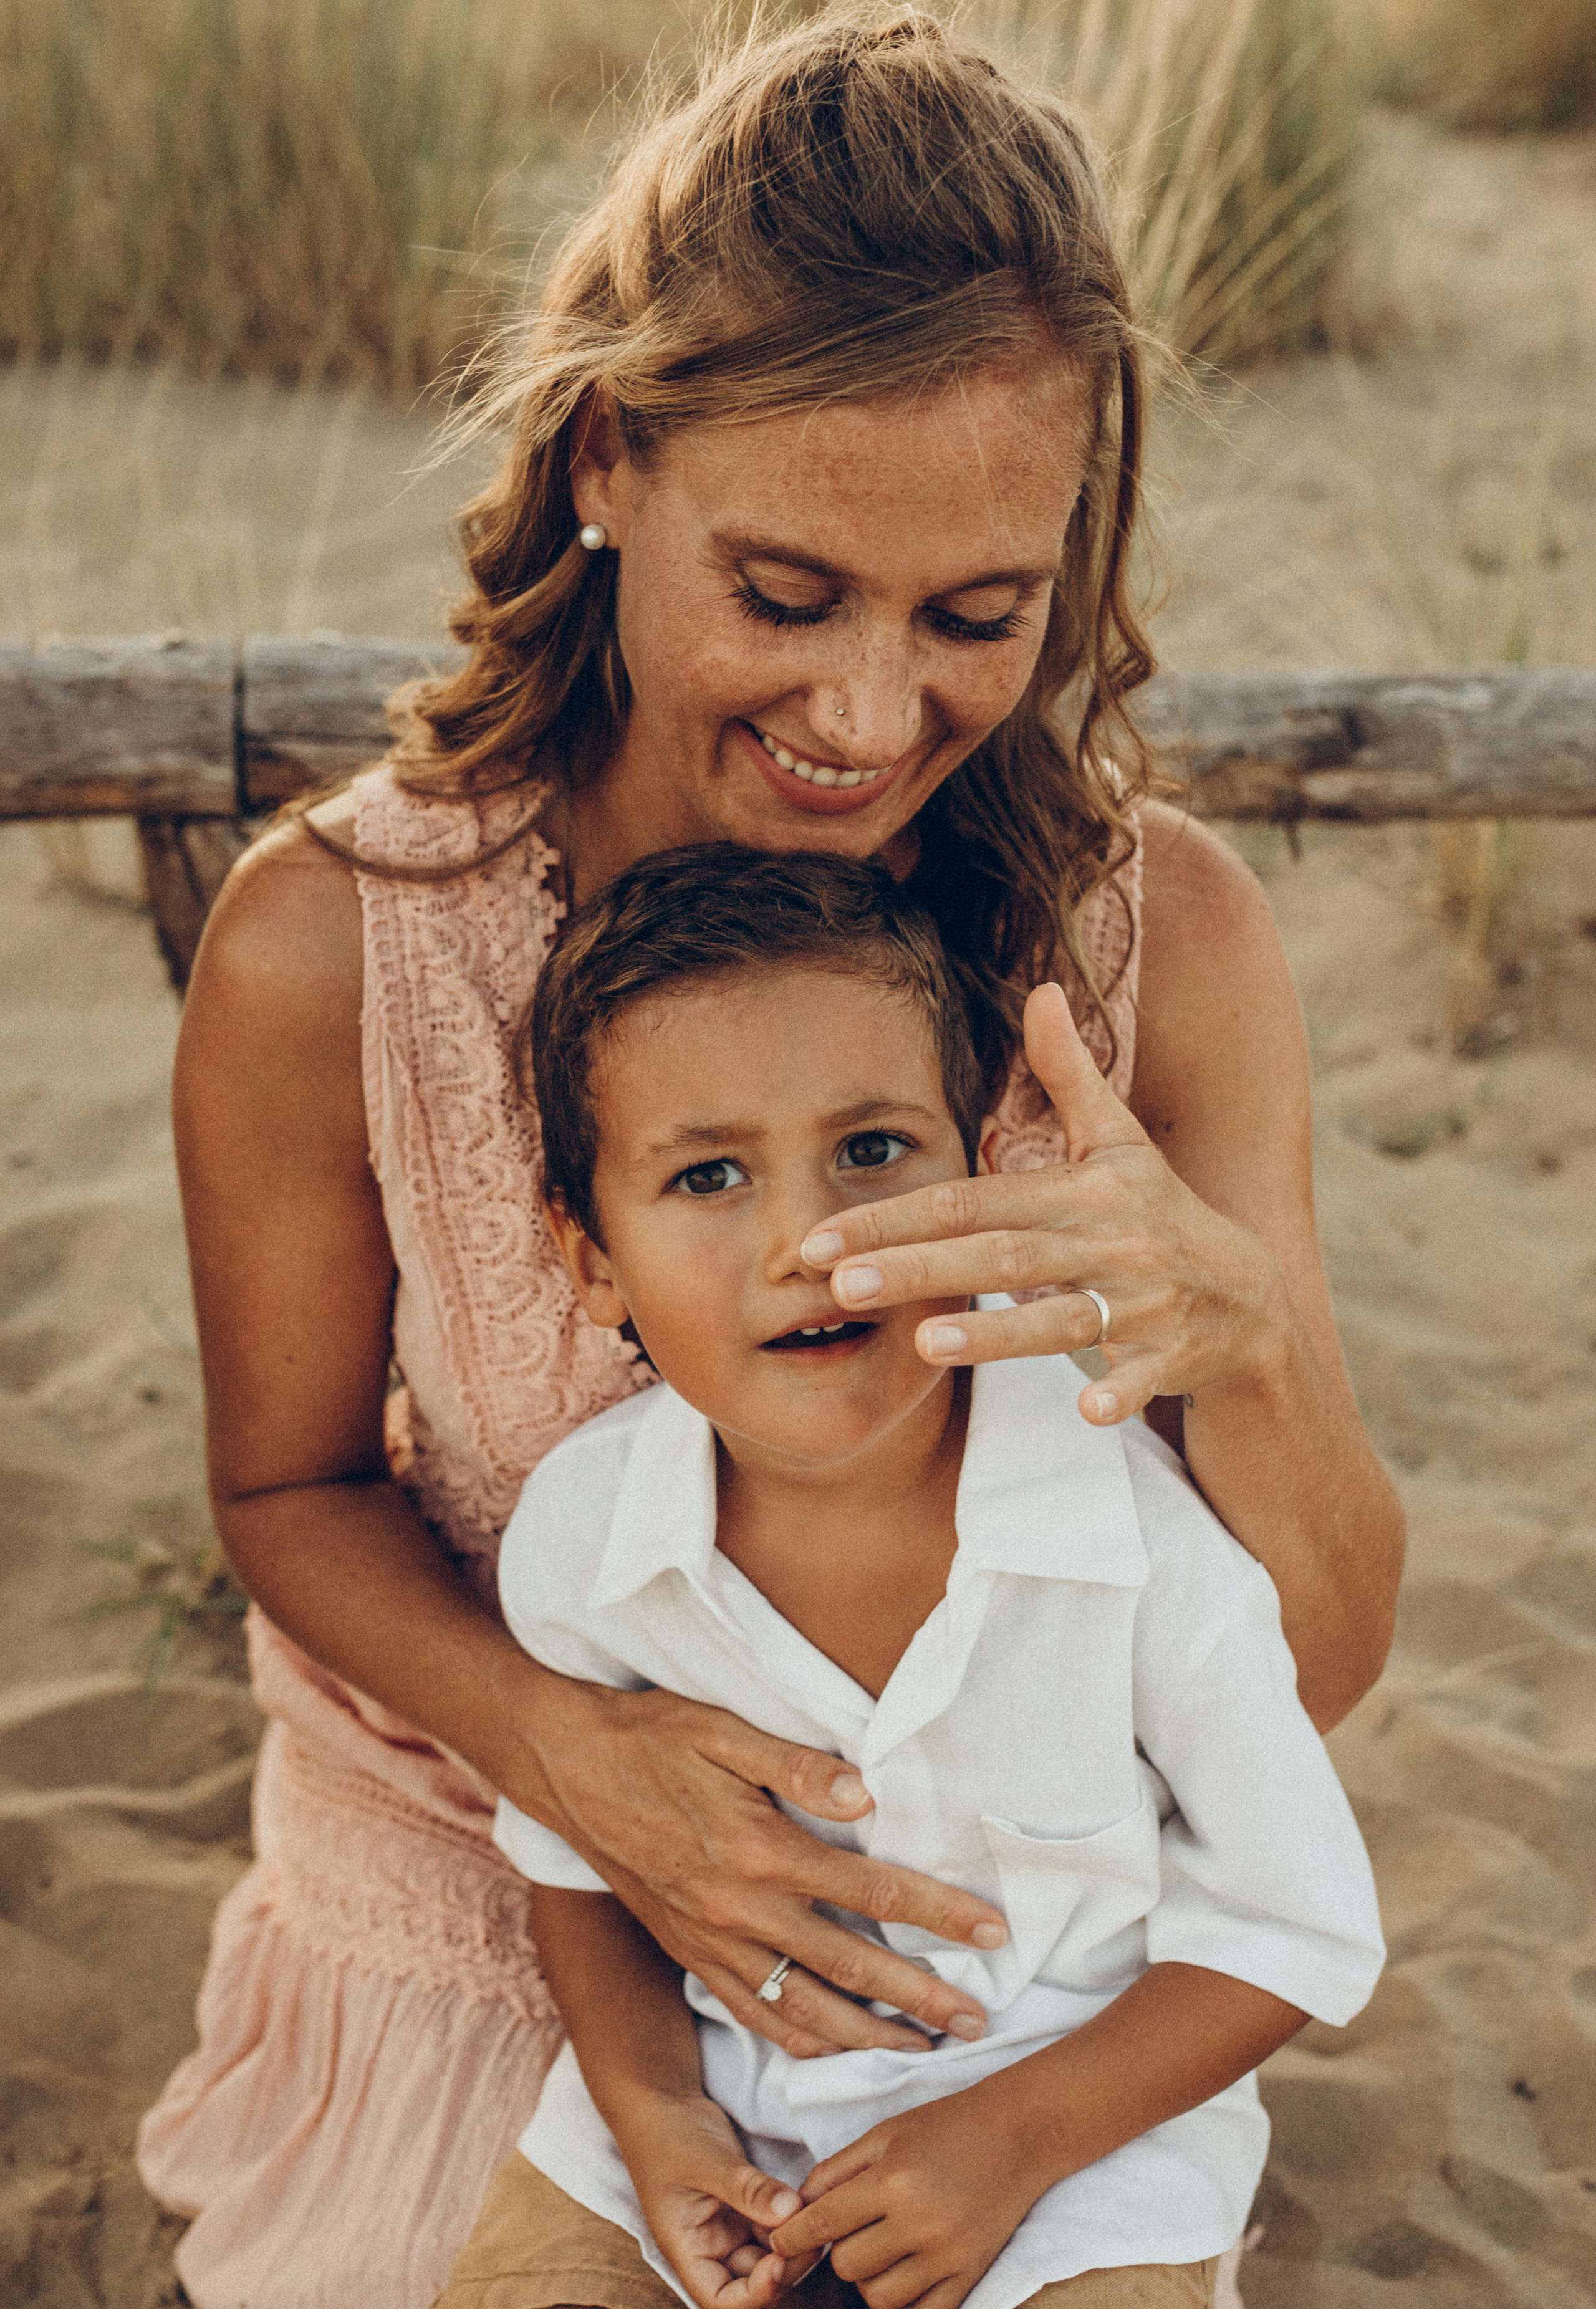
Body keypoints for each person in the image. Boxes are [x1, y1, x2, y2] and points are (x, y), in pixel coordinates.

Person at [137, 11, 1404, 2307]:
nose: (865, 716)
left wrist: (1246, 1346)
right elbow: (287, 1492)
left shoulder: (1163, 949)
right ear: (608, 454)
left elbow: (1308, 1665)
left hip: (1016, 1979)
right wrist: (579, 1763)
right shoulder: (339, 950)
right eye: (790, 593)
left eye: (978, 616)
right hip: (499, 1903)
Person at [434, 843, 1384, 2309]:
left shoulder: (1136, 1541)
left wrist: (1007, 2143)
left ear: (985, 1180)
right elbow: (580, 1863)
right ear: (590, 1260)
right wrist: (656, 2119)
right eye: (705, 1175)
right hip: (711, 2110)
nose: (809, 1244)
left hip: (1078, 2134)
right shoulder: (583, 1531)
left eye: (872, 1151)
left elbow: (1289, 1921)